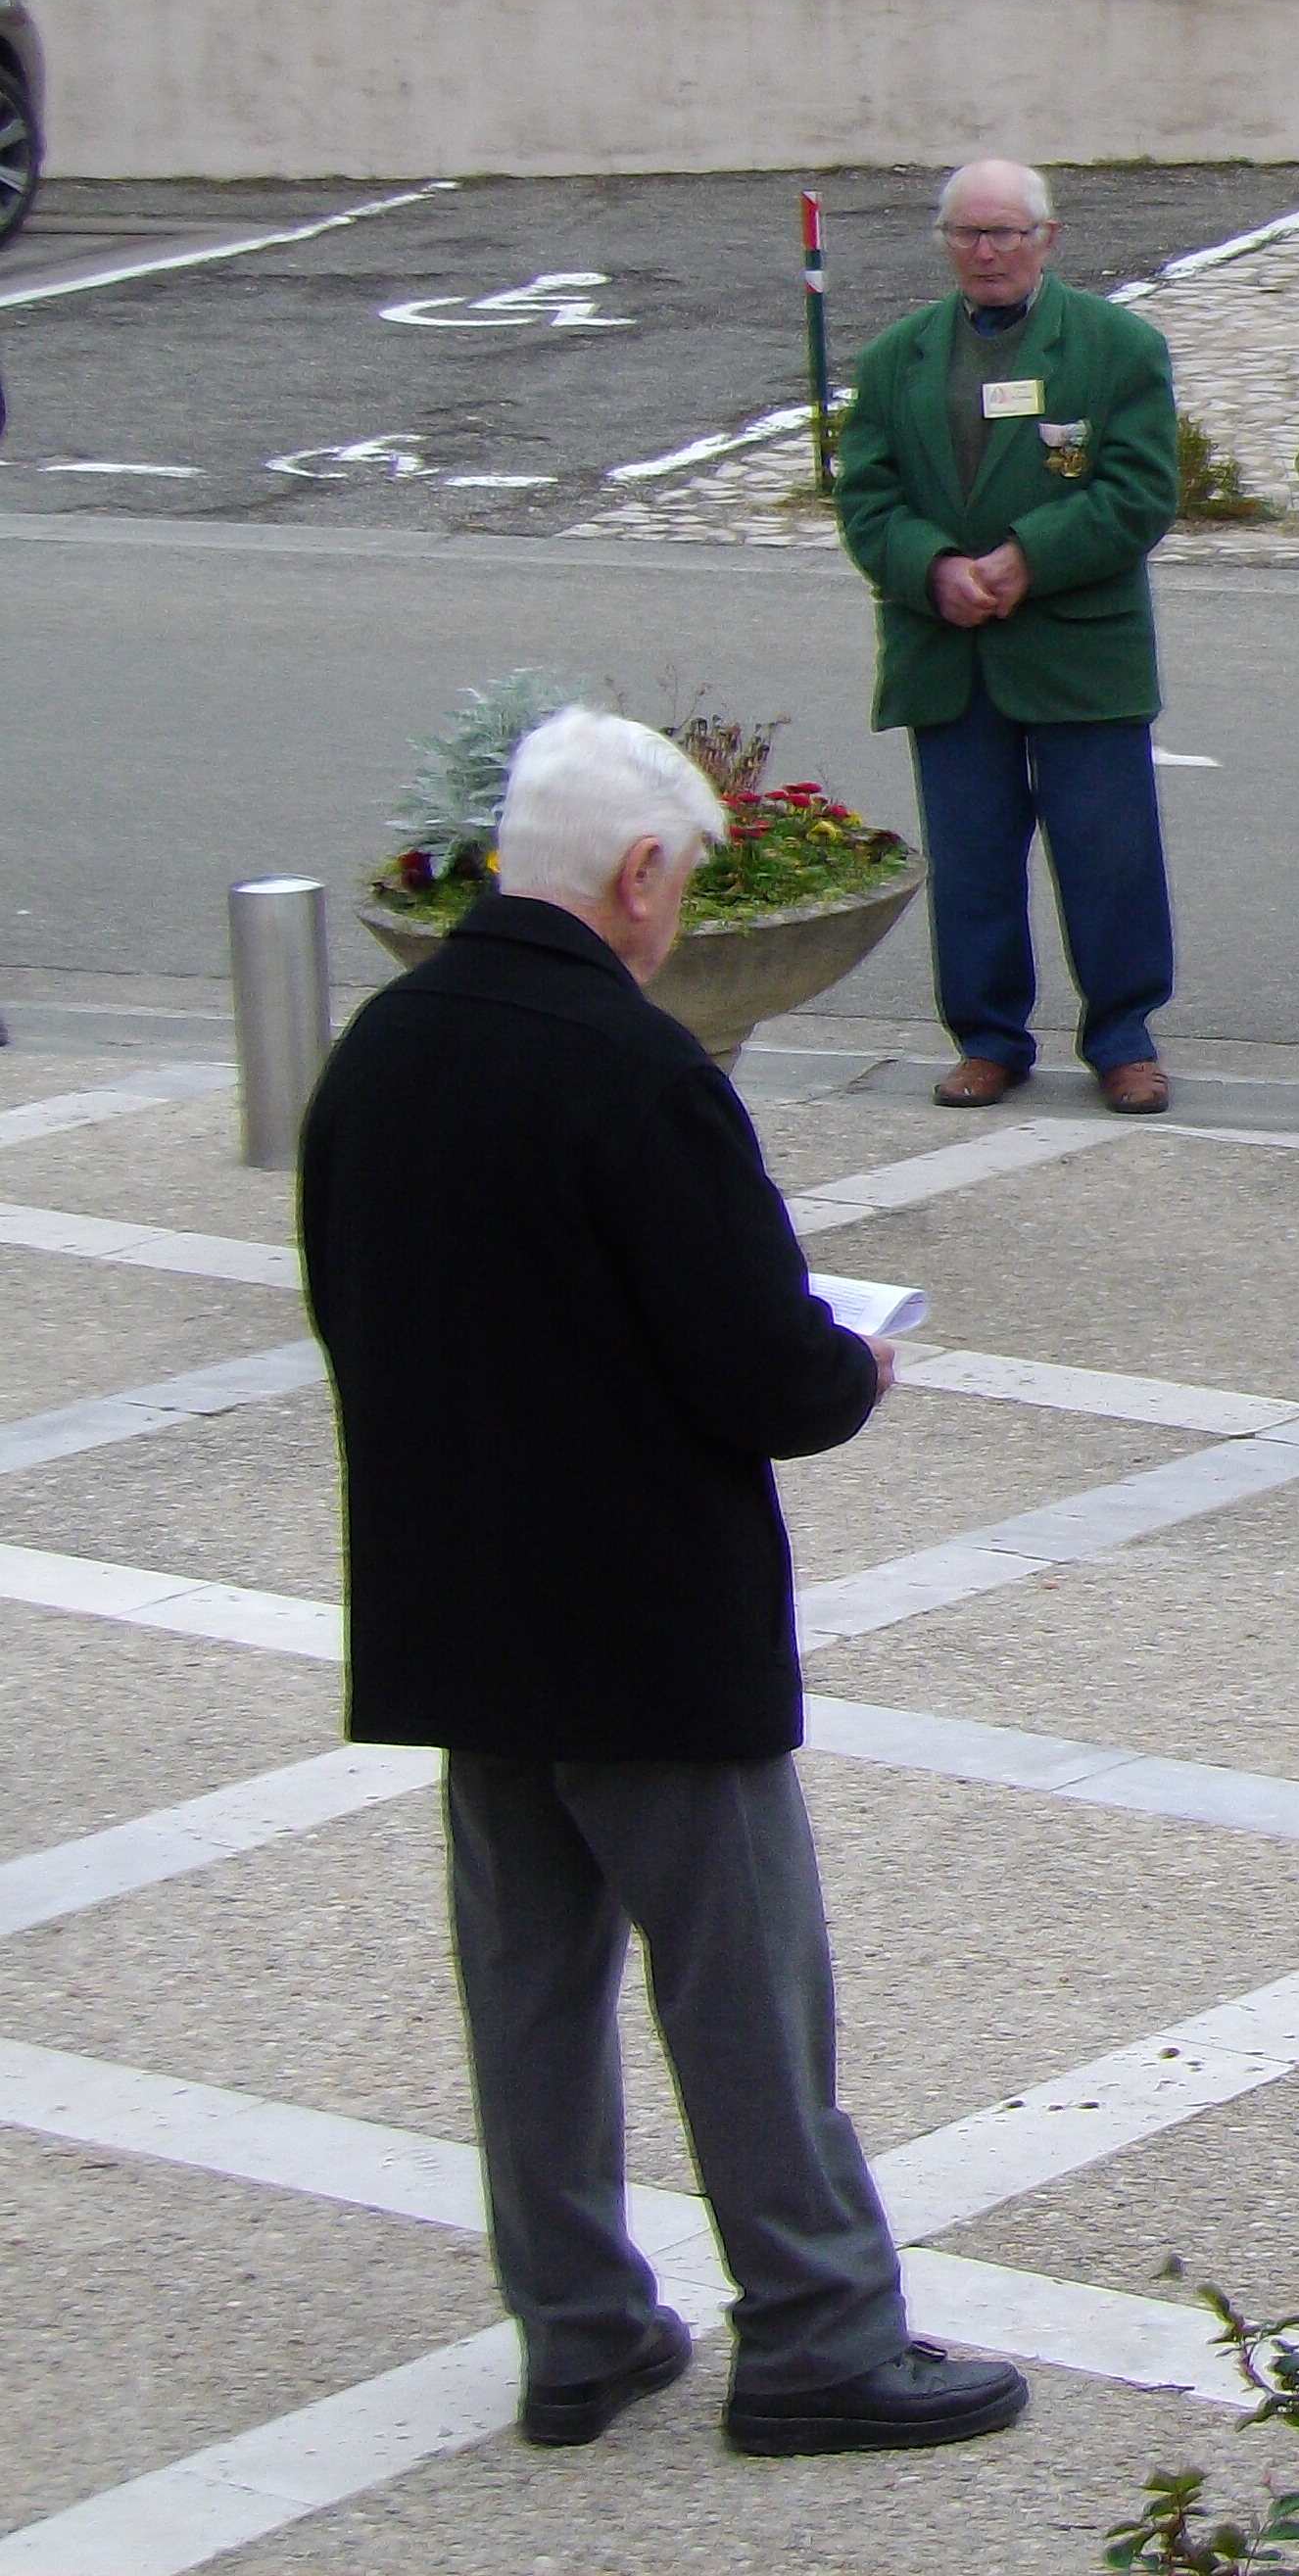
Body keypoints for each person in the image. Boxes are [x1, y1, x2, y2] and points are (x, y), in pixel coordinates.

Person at [297, 708, 1031, 2459]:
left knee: (531, 1988)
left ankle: (575, 2324)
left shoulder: (383, 1050)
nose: (678, 909)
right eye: (682, 879)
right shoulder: (637, 1075)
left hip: (454, 1601)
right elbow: (761, 1374)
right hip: (641, 1611)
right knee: (745, 1989)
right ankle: (817, 2332)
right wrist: (848, 1366)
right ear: (636, 875)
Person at [831, 158, 1182, 1116]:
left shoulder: (1117, 348)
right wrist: (932, 566)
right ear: (945, 242)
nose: (987, 252)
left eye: (1006, 234)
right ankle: (988, 1039)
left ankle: (1124, 1038)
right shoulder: (895, 359)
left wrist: (1027, 558)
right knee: (973, 861)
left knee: (1108, 859)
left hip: (1078, 650)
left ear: (1048, 240)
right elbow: (864, 498)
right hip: (951, 653)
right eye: (968, 234)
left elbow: (1143, 493)